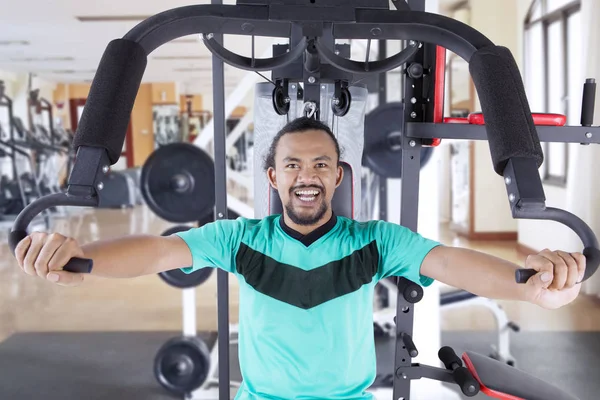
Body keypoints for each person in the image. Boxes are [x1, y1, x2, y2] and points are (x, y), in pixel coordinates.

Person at [14, 117, 586, 400]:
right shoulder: (239, 238)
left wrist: (527, 284)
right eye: (292, 165)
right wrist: (80, 258)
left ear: (339, 176)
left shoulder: (377, 242)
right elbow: (159, 250)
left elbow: (450, 262)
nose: (305, 177)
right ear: (273, 177)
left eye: (319, 165)